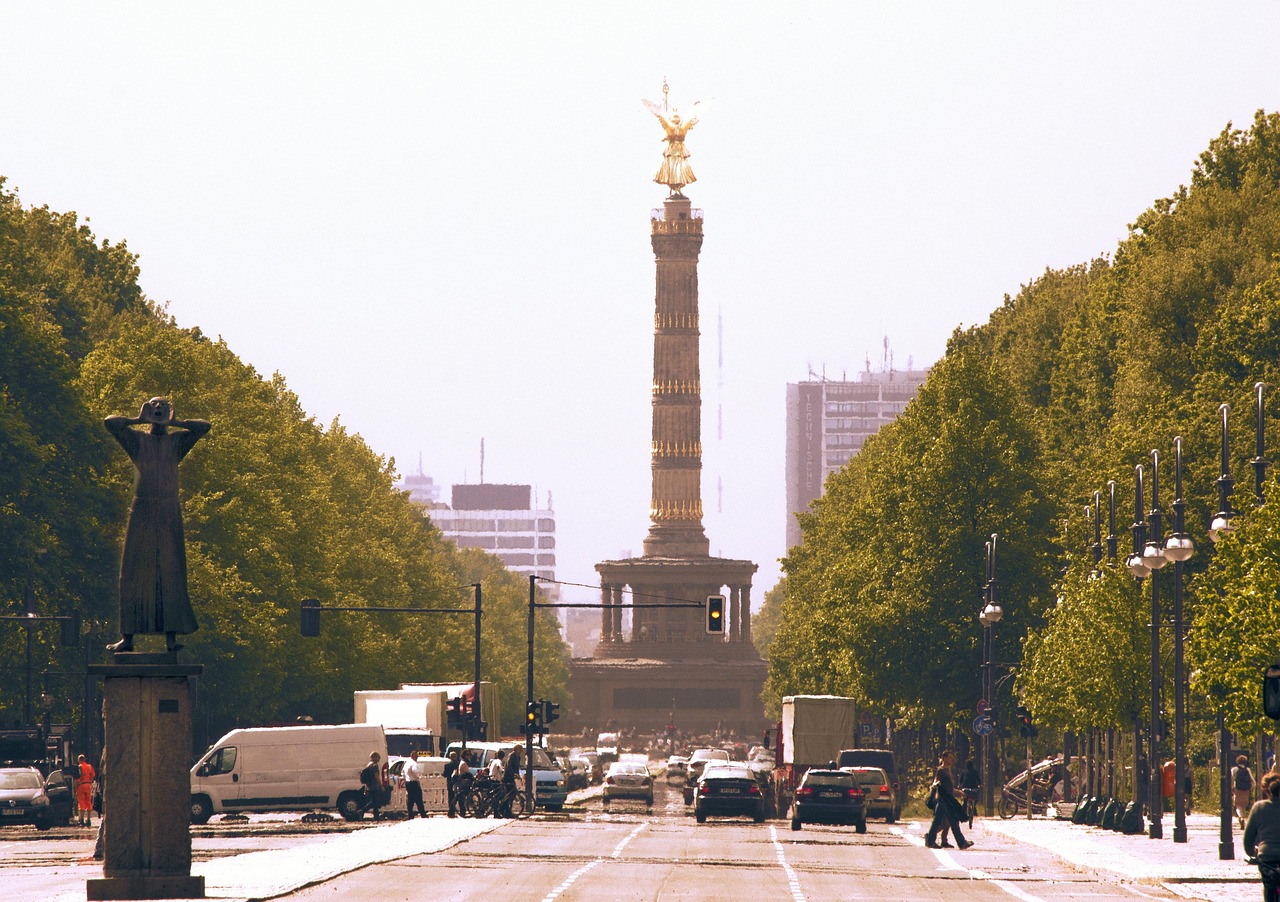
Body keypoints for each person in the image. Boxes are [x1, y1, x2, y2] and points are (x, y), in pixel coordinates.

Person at [104, 398, 210, 653]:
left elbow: (204, 427)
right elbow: (110, 423)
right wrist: (138, 420)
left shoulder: (177, 442)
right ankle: (128, 638)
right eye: (154, 406)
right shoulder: (138, 441)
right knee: (131, 573)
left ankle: (171, 638)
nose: (159, 409)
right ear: (147, 410)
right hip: (142, 509)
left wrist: (176, 422)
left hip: (168, 510)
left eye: (163, 406)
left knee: (170, 573)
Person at [925, 749, 973, 850]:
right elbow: (936, 780)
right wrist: (936, 784)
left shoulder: (948, 770)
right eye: (950, 757)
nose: (952, 760)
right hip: (943, 800)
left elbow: (949, 788)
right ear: (944, 758)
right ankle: (930, 841)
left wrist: (959, 793)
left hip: (948, 800)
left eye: (952, 758)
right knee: (938, 821)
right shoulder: (941, 770)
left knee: (953, 821)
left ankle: (961, 842)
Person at [1243, 773, 1280, 901]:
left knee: (1269, 885)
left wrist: (1251, 853)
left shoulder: (1259, 807)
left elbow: (1248, 837)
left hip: (1267, 857)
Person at [74, 754, 96, 827]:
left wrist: (75, 787)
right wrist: (90, 783)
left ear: (79, 760)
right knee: (88, 802)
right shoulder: (89, 767)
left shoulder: (79, 767)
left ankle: (81, 820)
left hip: (81, 785)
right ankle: (88, 820)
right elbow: (92, 776)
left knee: (81, 802)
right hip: (88, 785)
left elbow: (77, 778)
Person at [959, 758, 982, 827]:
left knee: (965, 801)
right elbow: (978, 779)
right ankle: (974, 808)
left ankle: (963, 813)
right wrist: (980, 785)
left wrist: (959, 785)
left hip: (965, 789)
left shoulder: (963, 772)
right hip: (974, 789)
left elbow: (961, 780)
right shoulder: (975, 771)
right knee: (976, 798)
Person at [360, 752, 383, 820]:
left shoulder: (368, 765)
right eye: (378, 757)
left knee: (374, 801)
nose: (379, 758)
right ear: (374, 757)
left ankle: (376, 816)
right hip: (374, 785)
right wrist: (380, 785)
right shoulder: (375, 765)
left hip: (369, 785)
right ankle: (362, 811)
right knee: (374, 801)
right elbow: (376, 776)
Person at [1236, 755, 1257, 829]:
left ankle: (1240, 818)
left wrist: (1231, 788)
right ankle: (1243, 818)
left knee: (1238, 806)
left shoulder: (1234, 769)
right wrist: (1251, 787)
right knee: (1243, 806)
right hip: (1246, 789)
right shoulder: (1247, 769)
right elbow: (1252, 780)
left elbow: (1231, 780)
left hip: (1237, 789)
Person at [501, 747, 521, 817]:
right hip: (507, 777)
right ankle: (504, 810)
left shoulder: (518, 757)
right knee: (508, 794)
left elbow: (517, 767)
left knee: (512, 794)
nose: (519, 751)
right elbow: (509, 766)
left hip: (512, 778)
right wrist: (513, 773)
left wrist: (517, 775)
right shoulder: (511, 755)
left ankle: (507, 810)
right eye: (518, 750)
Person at [443, 751, 461, 818]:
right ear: (456, 756)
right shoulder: (458, 764)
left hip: (450, 783)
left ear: (450, 757)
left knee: (451, 798)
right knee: (459, 797)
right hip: (458, 782)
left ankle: (451, 812)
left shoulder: (447, 765)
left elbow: (444, 775)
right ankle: (461, 811)